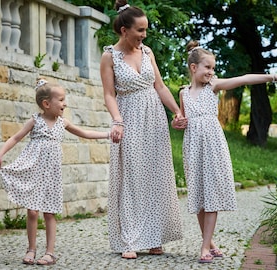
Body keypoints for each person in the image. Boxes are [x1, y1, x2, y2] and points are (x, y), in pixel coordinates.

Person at [177, 40, 277, 263]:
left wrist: (273, 77)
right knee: (199, 196)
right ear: (194, 68)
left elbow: (243, 79)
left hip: (212, 146)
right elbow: (182, 119)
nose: (212, 72)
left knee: (211, 193)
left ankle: (204, 247)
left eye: (213, 68)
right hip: (192, 148)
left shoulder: (213, 86)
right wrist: (178, 123)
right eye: (208, 68)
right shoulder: (183, 93)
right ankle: (210, 241)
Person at [100, 0, 187, 259]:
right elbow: (109, 94)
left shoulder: (147, 52)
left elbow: (159, 86)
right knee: (131, 178)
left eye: (146, 30)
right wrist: (117, 120)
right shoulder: (109, 56)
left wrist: (176, 111)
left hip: (154, 119)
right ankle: (129, 239)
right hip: (128, 118)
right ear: (124, 30)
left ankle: (154, 237)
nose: (144, 35)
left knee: (157, 176)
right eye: (140, 30)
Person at [0, 79, 110, 265]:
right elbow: (15, 137)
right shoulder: (35, 120)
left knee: (49, 213)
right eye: (61, 100)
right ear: (46, 104)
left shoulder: (62, 123)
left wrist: (108, 134)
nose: (65, 103)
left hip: (52, 176)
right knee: (32, 211)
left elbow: (85, 133)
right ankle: (31, 249)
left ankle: (50, 253)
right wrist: (0, 154)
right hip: (34, 171)